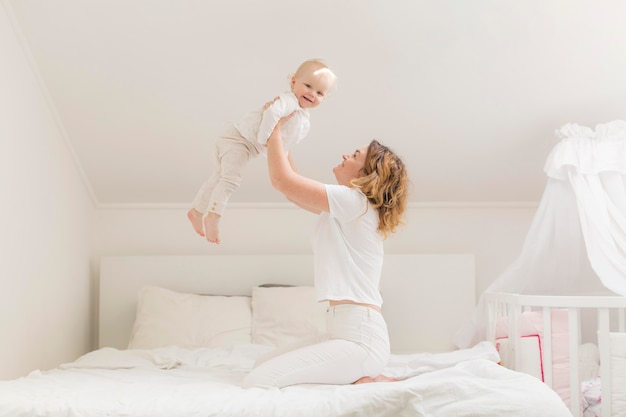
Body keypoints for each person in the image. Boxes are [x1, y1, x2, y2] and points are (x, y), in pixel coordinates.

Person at [242, 114, 409, 388]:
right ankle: (363, 376)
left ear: (366, 173)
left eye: (354, 155)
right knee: (259, 366)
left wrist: (273, 128)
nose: (345, 155)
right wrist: (283, 139)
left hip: (360, 337)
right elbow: (292, 187)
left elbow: (282, 181)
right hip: (344, 331)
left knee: (258, 381)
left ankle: (364, 374)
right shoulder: (348, 208)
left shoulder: (355, 202)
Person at [187, 59, 338, 244]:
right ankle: (214, 215)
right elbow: (272, 113)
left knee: (218, 178)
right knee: (230, 180)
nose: (312, 94)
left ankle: (196, 210)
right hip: (239, 141)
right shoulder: (289, 101)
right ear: (293, 82)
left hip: (235, 139)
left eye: (320, 92)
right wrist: (263, 139)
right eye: (308, 85)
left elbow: (285, 144)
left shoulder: (300, 112)